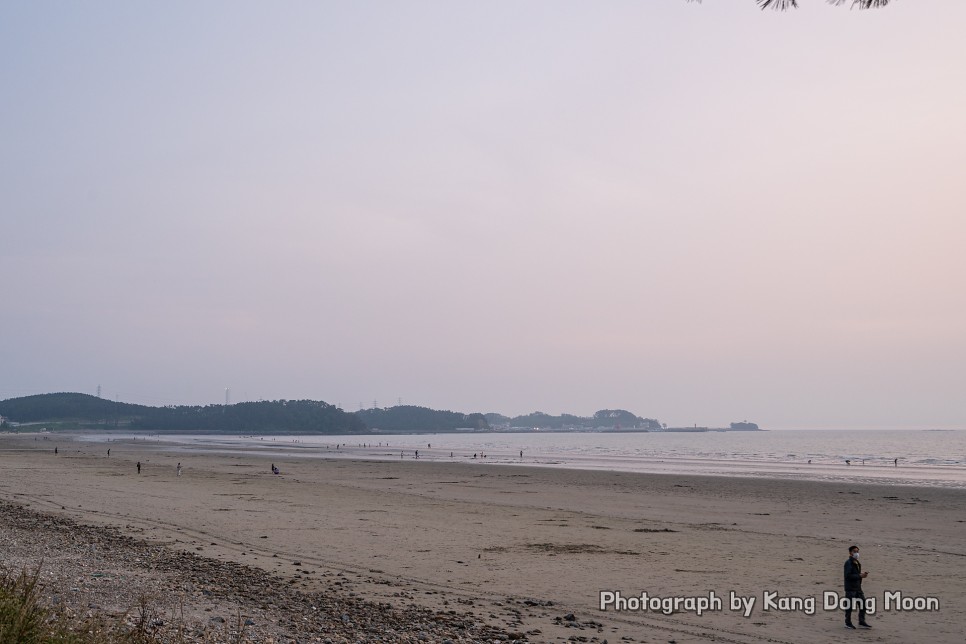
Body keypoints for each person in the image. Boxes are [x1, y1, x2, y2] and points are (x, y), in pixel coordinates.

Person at [844, 545, 871, 629]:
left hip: (858, 587)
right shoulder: (848, 563)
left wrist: (862, 575)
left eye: (857, 551)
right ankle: (848, 623)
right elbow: (847, 576)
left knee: (863, 604)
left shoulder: (857, 562)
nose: (856, 553)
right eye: (854, 551)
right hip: (850, 588)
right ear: (850, 553)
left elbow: (856, 574)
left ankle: (861, 621)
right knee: (849, 606)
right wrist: (860, 576)